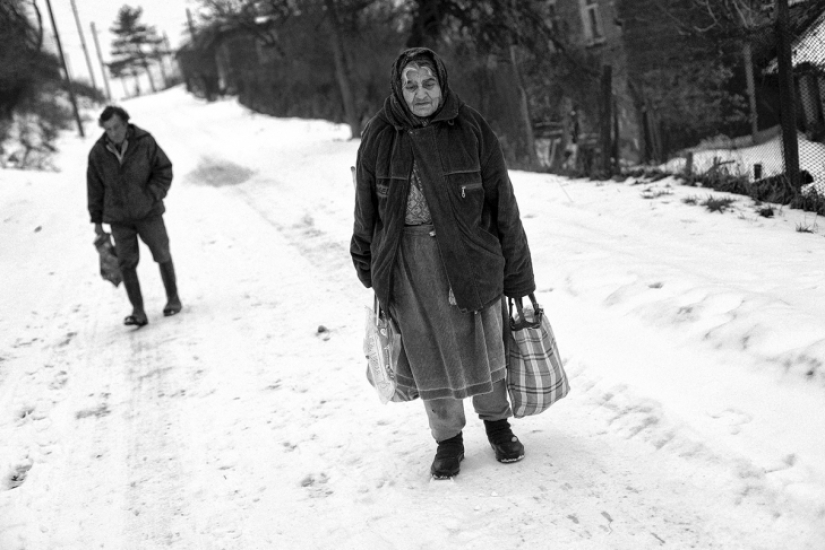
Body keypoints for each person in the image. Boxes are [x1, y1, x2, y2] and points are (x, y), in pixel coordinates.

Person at [351, 48, 536, 479]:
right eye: (410, 84)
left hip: (471, 255)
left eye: (428, 83)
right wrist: (369, 268)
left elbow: (503, 205)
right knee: (427, 349)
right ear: (398, 88)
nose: (420, 93)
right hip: (408, 264)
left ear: (442, 83)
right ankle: (447, 438)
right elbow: (366, 210)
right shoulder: (378, 136)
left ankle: (498, 424)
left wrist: (518, 273)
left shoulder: (470, 127)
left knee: (484, 343)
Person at [87, 106, 182, 327]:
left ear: (126, 123)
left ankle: (173, 298)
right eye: (108, 129)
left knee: (162, 253)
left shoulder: (145, 142)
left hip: (148, 212)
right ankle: (138, 311)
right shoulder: (98, 153)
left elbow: (164, 170)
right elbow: (94, 188)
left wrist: (151, 195)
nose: (113, 133)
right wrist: (97, 221)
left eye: (117, 127)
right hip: (118, 218)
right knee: (126, 263)